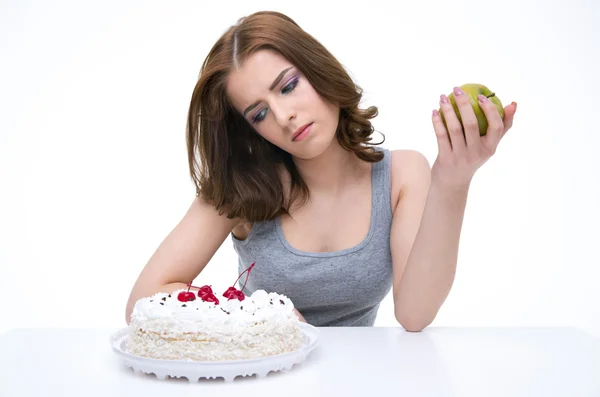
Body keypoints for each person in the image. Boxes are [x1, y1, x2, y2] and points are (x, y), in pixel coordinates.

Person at [125, 10, 517, 331]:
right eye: (259, 113)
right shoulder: (241, 189)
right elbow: (144, 299)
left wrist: (452, 179)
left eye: (288, 86)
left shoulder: (402, 174)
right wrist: (255, 313)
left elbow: (415, 314)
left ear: (317, 69)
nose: (283, 116)